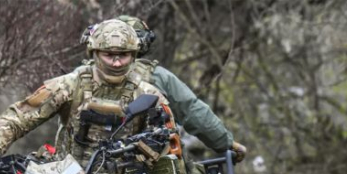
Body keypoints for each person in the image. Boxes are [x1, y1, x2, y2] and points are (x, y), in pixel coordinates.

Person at [0, 20, 174, 174]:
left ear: (134, 55)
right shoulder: (69, 85)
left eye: (124, 55)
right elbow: (17, 118)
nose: (117, 62)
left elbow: (170, 144)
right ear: (94, 53)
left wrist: (147, 151)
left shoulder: (148, 94)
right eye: (110, 55)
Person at [80, 15, 246, 161]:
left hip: (84, 168)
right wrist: (226, 144)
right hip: (142, 171)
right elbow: (192, 111)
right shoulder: (157, 76)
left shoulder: (80, 76)